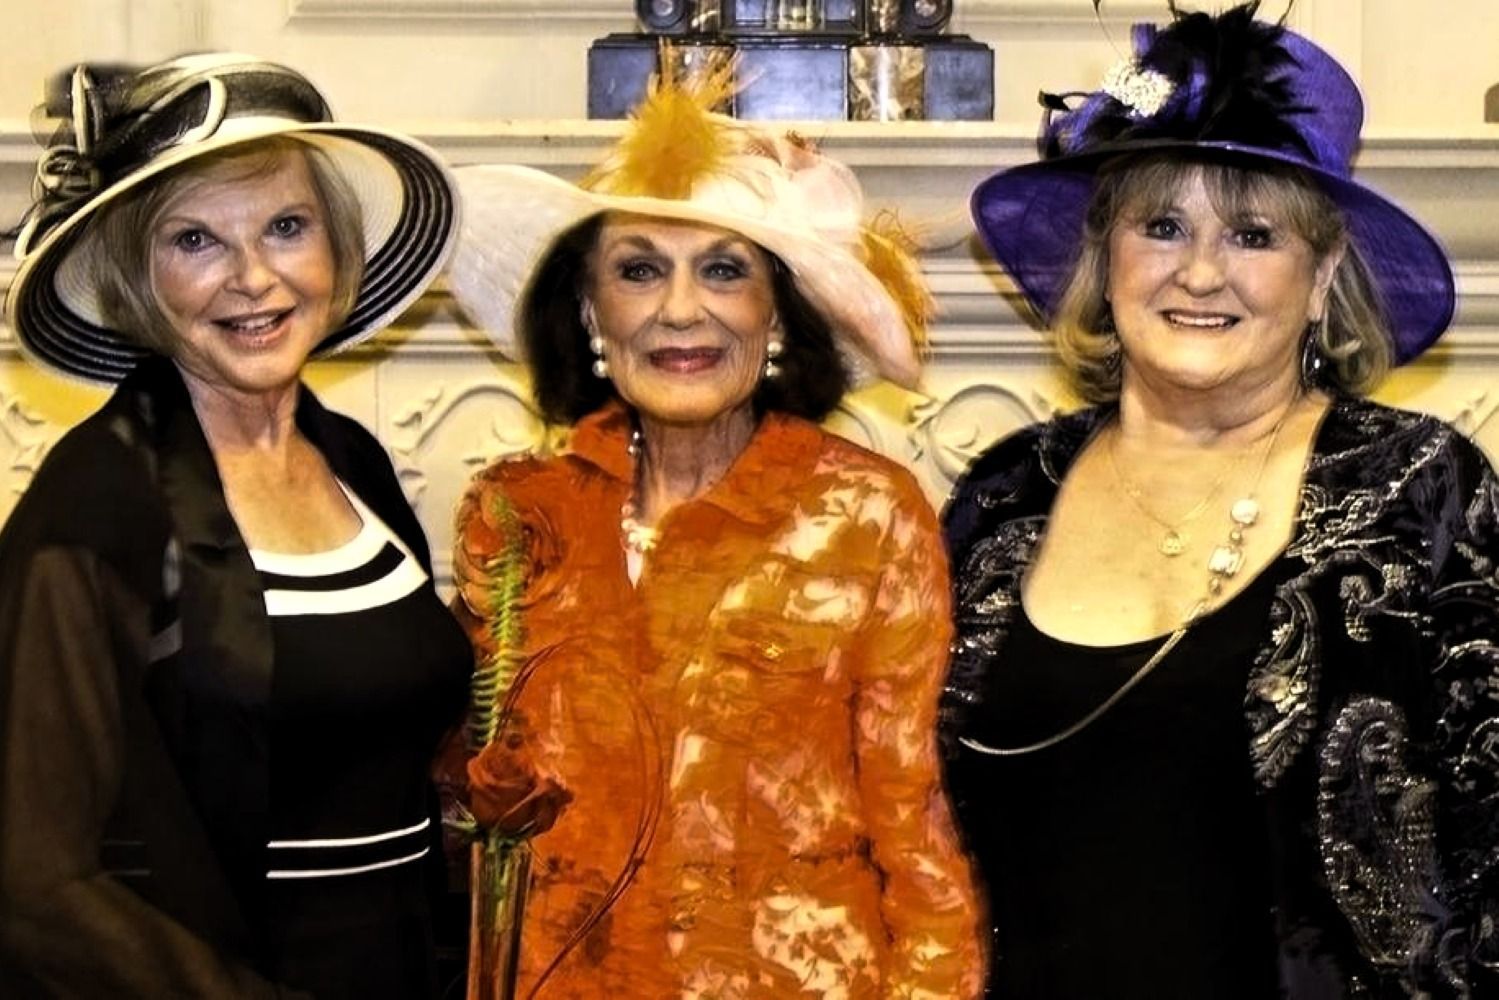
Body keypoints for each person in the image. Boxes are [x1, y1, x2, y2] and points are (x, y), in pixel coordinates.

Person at [939, 4, 1499, 997]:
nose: (1198, 272)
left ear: (1321, 273)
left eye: (1250, 234)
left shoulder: (1419, 489)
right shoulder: (1001, 495)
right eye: (1160, 226)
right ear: (1103, 257)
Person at [443, 70, 984, 998]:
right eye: (639, 268)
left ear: (774, 316)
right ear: (589, 311)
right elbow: (468, 787)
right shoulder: (513, 513)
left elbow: (913, 815)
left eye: (724, 270)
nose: (680, 310)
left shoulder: (867, 515)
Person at [0, 55, 469, 998]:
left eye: (287, 228)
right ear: (139, 277)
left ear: (334, 248)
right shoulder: (96, 506)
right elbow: (34, 881)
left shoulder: (357, 465)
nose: (254, 279)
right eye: (196, 241)